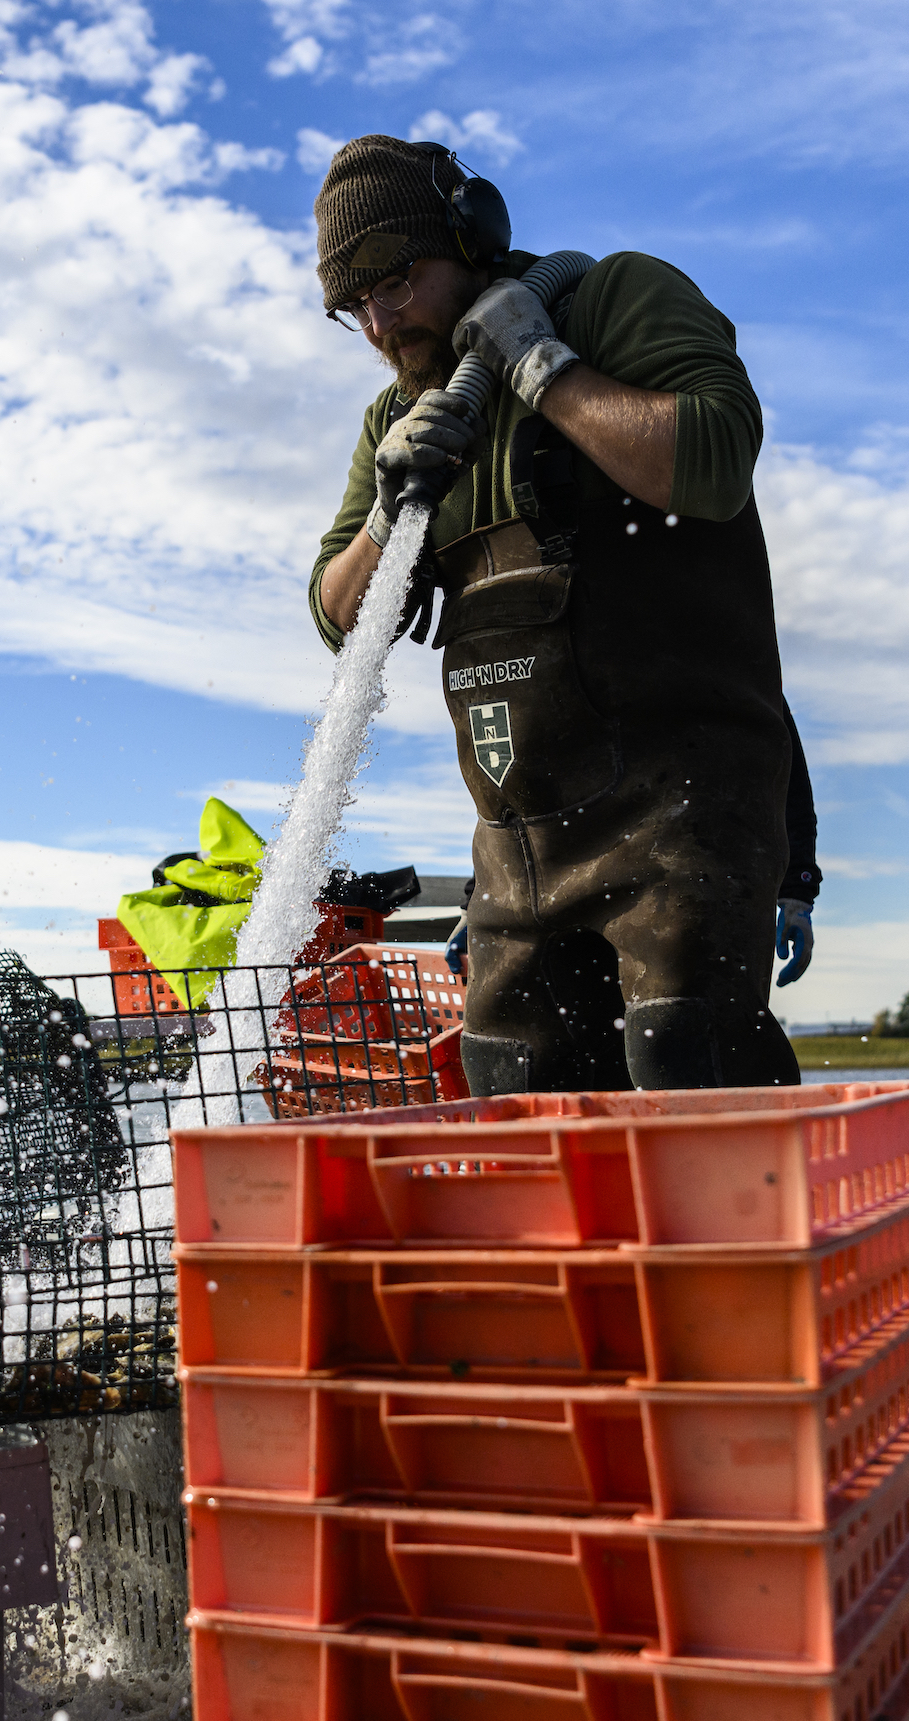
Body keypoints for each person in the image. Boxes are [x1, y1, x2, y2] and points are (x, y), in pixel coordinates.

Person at [306, 134, 821, 1093]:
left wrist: (540, 366)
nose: (380, 321)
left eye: (397, 278)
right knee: (516, 1088)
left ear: (471, 235)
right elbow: (340, 619)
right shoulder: (395, 422)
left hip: (684, 809)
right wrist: (388, 512)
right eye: (353, 305)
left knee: (687, 1063)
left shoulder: (615, 298)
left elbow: (709, 459)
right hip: (518, 840)